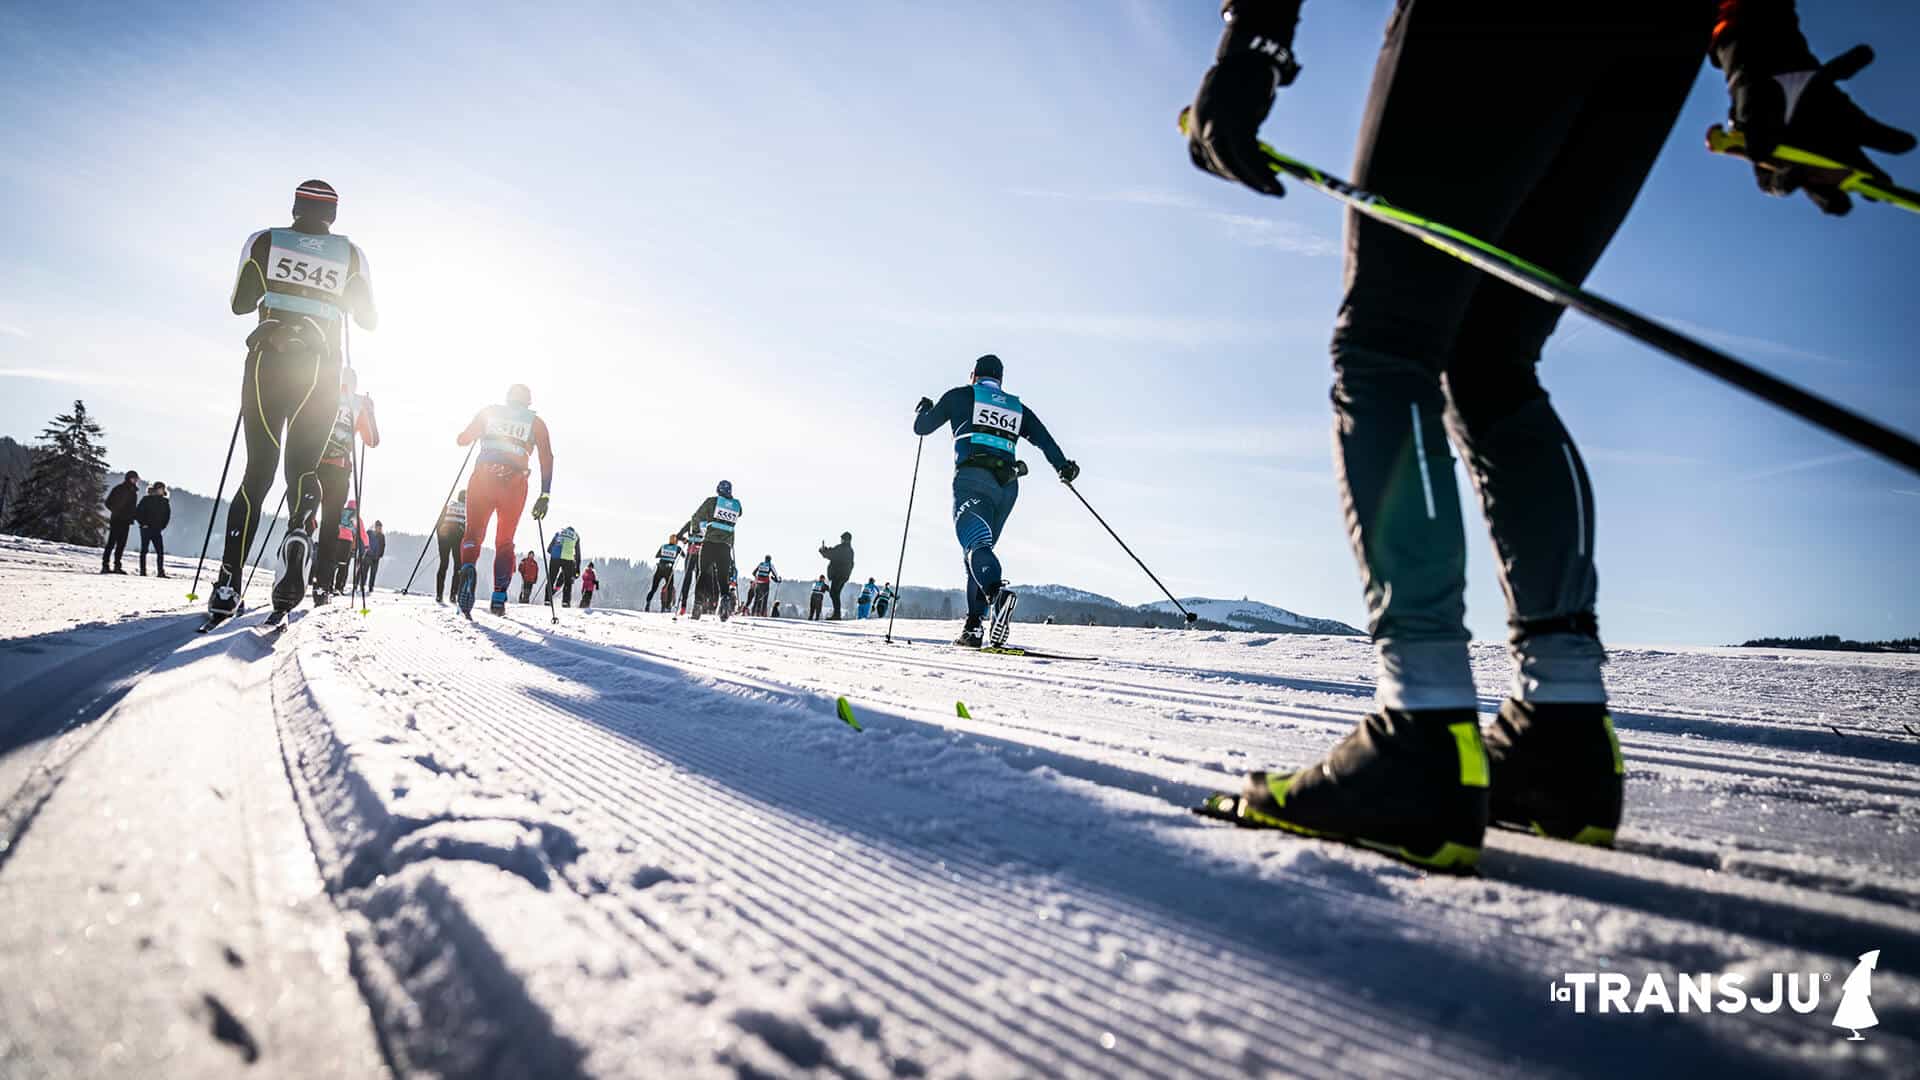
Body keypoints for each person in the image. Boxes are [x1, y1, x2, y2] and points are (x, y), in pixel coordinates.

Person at [1182, 0, 1914, 871]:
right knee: (1492, 359)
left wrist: (1253, 40)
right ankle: (1558, 732)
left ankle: (1421, 727)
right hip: (1652, 44)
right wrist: (1766, 59)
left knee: (1385, 345)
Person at [207, 179, 377, 626]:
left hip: (267, 361)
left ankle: (227, 584)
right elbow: (368, 319)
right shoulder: (351, 254)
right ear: (334, 216)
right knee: (302, 470)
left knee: (257, 470)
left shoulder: (264, 241)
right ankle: (299, 531)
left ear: (295, 207)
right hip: (321, 372)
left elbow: (241, 304)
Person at [913, 353, 1076, 648]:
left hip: (973, 479)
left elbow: (922, 428)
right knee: (978, 551)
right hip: (1007, 489)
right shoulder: (1016, 407)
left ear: (974, 374)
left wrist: (923, 410)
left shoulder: (960, 395)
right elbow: (1044, 440)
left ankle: (996, 595)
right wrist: (1063, 466)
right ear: (1000, 379)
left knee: (976, 545)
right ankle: (974, 626)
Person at [454, 384, 554, 616]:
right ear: (528, 402)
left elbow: (462, 440)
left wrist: (477, 432)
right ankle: (499, 596)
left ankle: (468, 567)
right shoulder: (535, 423)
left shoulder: (490, 412)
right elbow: (546, 458)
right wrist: (545, 495)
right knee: (505, 540)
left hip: (483, 478)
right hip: (514, 483)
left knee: (473, 533)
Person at [309, 368, 379, 602]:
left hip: (314, 465)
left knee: (304, 517)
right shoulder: (358, 404)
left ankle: (294, 568)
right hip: (339, 471)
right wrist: (370, 412)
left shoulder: (322, 393)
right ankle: (322, 586)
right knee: (330, 527)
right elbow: (372, 441)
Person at [679, 481, 741, 619]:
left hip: (709, 543)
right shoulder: (737, 505)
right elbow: (737, 515)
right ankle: (724, 600)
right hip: (725, 546)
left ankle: (697, 605)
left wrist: (696, 531)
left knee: (702, 573)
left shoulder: (712, 502)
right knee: (722, 576)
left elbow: (696, 517)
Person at [101, 470, 140, 574]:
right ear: (129, 478)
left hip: (126, 521)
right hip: (117, 520)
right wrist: (116, 511)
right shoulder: (119, 489)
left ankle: (117, 566)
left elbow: (132, 508)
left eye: (136, 478)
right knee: (111, 543)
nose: (136, 480)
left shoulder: (133, 492)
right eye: (134, 478)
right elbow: (108, 502)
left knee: (121, 544)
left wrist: (133, 515)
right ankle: (105, 565)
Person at [434, 490, 468, 604]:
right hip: (458, 539)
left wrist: (440, 538)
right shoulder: (467, 509)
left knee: (443, 565)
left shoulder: (449, 506)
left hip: (445, 537)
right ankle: (453, 595)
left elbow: (438, 523)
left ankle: (439, 595)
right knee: (458, 566)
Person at [135, 480, 171, 577]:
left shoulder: (165, 502)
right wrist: (143, 524)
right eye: (160, 488)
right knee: (144, 550)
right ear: (155, 489)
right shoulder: (146, 499)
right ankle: (143, 571)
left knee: (160, 551)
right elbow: (137, 512)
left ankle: (160, 572)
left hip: (157, 529)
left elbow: (167, 516)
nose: (161, 490)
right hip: (146, 529)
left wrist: (162, 526)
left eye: (163, 488)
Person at [817, 532, 854, 619]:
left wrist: (823, 551)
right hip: (844, 576)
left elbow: (832, 554)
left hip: (838, 575)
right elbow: (834, 552)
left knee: (834, 593)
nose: (841, 540)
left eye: (842, 538)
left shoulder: (842, 548)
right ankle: (837, 614)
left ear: (844, 539)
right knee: (835, 594)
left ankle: (837, 615)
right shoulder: (850, 550)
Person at [547, 525, 582, 606]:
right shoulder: (575, 536)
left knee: (551, 578)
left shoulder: (559, 532)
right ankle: (565, 601)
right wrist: (577, 570)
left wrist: (553, 554)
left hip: (555, 557)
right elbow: (578, 554)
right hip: (568, 560)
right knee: (567, 582)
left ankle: (547, 599)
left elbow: (549, 549)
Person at [645, 533, 682, 611]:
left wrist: (665, 555)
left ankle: (648, 603)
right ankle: (667, 606)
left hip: (660, 568)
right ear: (676, 541)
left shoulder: (663, 546)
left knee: (654, 588)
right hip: (668, 570)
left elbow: (657, 556)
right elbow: (684, 555)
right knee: (670, 587)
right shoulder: (677, 548)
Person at [678, 522, 706, 615]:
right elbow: (679, 536)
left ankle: (684, 607)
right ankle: (693, 606)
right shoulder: (706, 523)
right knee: (697, 580)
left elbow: (679, 535)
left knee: (688, 579)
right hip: (699, 555)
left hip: (693, 553)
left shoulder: (691, 523)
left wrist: (685, 539)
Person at [356, 520, 385, 592]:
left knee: (373, 573)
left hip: (376, 557)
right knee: (364, 572)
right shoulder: (369, 533)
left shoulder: (381, 536)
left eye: (380, 527)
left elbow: (383, 546)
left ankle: (371, 587)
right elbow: (363, 542)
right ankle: (361, 586)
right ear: (375, 526)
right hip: (368, 556)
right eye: (378, 527)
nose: (379, 529)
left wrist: (380, 555)